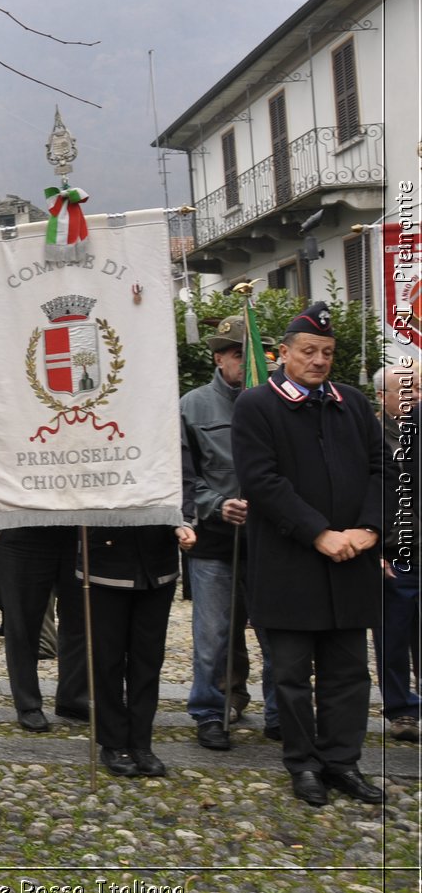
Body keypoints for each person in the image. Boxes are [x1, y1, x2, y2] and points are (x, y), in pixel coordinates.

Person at [233, 301, 386, 807]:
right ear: (284, 354)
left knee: (348, 675)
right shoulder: (257, 404)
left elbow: (382, 471)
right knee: (293, 677)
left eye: (326, 352)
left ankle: (343, 761)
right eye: (308, 351)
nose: (319, 360)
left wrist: (368, 529)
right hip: (290, 565)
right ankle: (302, 764)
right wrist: (319, 533)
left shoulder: (354, 403)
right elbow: (263, 480)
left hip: (351, 563)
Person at [180, 315, 280, 751]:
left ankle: (281, 711)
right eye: (239, 353)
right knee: (213, 634)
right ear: (219, 357)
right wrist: (217, 504)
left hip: (274, 539)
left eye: (255, 353)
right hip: (216, 542)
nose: (248, 362)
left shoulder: (280, 401)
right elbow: (185, 477)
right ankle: (210, 710)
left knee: (279, 631)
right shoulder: (193, 405)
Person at [0, 437, 88, 731]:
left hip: (77, 522)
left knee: (80, 619)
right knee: (22, 624)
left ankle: (73, 696)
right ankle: (28, 703)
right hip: (22, 525)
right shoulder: (2, 402)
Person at [83, 523, 192, 778]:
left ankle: (141, 742)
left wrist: (183, 522)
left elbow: (182, 485)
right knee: (107, 659)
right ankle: (113, 741)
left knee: (148, 659)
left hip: (157, 562)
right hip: (105, 560)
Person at [373, 364, 420, 743]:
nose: (414, 396)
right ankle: (401, 710)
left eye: (417, 389)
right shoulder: (371, 439)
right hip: (394, 552)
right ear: (382, 398)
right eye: (405, 391)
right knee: (393, 636)